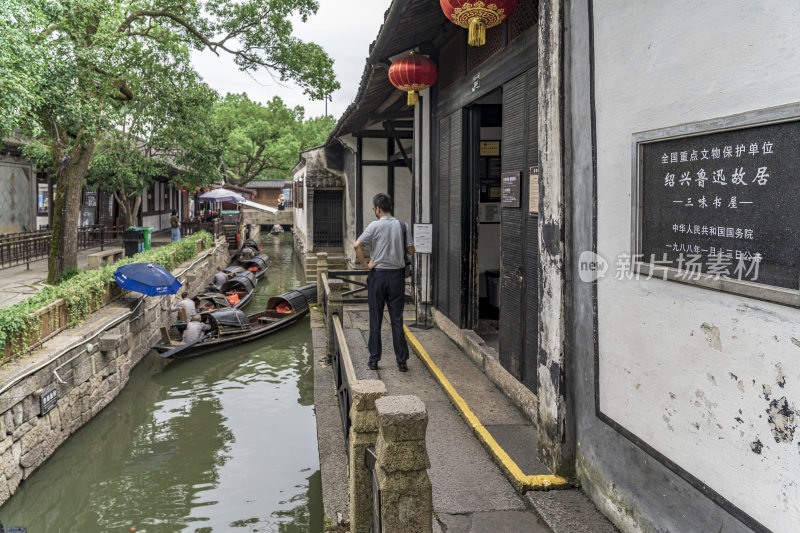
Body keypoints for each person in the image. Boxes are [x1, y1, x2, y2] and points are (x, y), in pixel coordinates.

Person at [354, 193, 415, 372]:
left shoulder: (374, 226)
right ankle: (402, 361)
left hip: (377, 276)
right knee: (397, 319)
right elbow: (411, 250)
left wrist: (366, 265)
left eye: (374, 209)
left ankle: (374, 360)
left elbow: (357, 245)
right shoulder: (403, 225)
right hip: (397, 278)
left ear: (378, 209)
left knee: (375, 318)